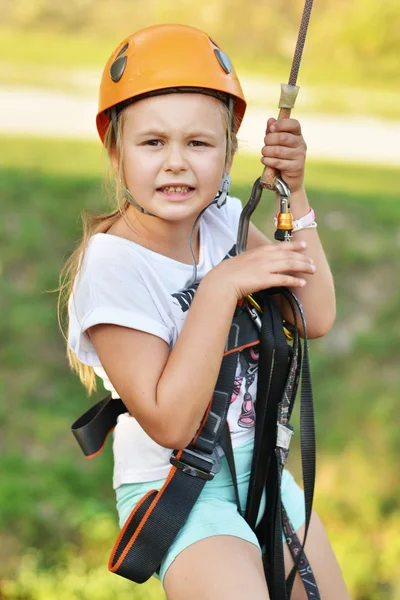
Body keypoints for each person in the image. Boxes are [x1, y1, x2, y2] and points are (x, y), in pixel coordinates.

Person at [60, 24, 350, 600]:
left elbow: (313, 314)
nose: (176, 163)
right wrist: (221, 287)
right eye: (152, 143)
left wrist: (298, 193)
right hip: (182, 490)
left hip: (263, 470)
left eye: (198, 143)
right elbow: (168, 422)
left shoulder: (224, 222)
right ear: (115, 152)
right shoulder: (113, 266)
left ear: (228, 153)